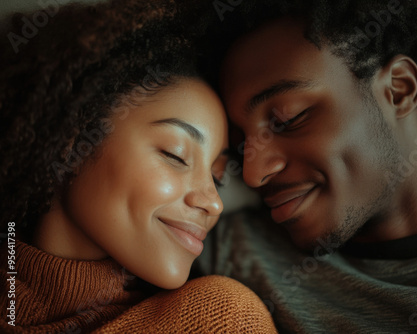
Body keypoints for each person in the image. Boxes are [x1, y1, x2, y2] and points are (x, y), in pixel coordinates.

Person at [191, 0, 417, 332]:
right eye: (238, 147)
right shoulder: (225, 254)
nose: (252, 174)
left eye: (288, 119)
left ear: (399, 89)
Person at [0, 0, 277, 333]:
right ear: (71, 140)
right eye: (176, 155)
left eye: (217, 179)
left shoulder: (222, 319)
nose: (213, 203)